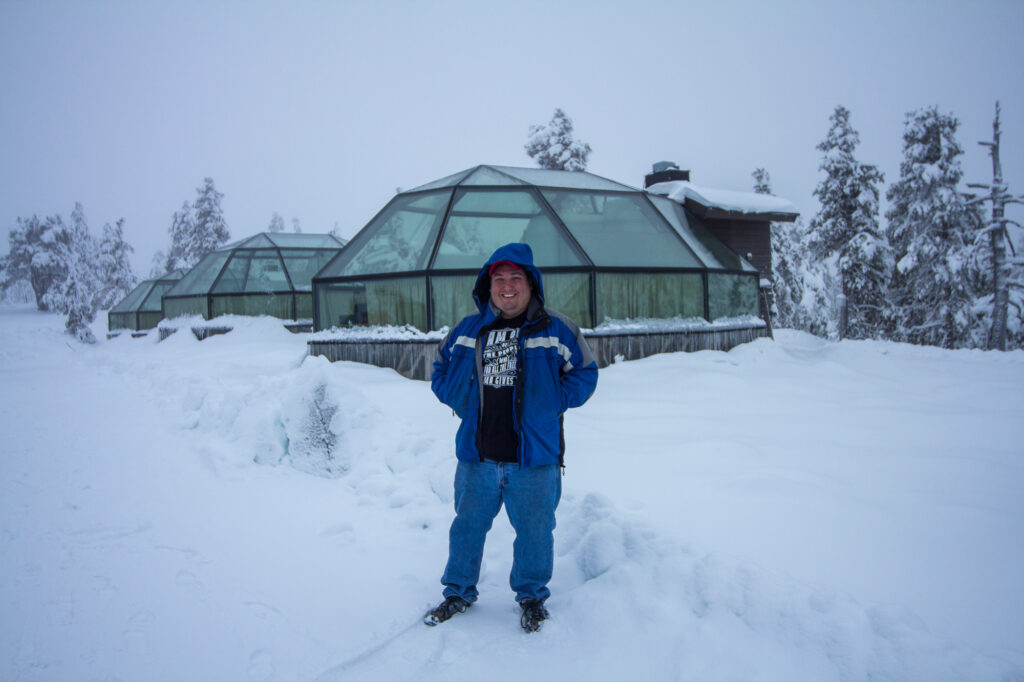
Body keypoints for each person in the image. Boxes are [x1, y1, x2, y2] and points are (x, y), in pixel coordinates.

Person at [425, 242, 598, 633]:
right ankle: (458, 591)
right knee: (467, 527)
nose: (506, 286)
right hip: (477, 457)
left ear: (530, 284)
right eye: (498, 279)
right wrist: (457, 398)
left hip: (534, 461)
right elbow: (439, 366)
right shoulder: (468, 329)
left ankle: (532, 597)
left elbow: (586, 373)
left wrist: (554, 401)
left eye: (515, 278)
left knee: (536, 533)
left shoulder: (556, 329)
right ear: (488, 286)